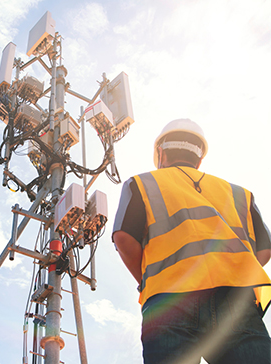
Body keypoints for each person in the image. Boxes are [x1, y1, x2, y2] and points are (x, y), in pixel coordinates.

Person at [112, 118, 271, 364]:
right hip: (235, 299)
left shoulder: (143, 183)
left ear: (161, 152)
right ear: (199, 159)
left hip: (169, 297)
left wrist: (146, 281)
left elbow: (123, 237)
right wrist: (238, 273)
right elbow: (265, 248)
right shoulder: (240, 194)